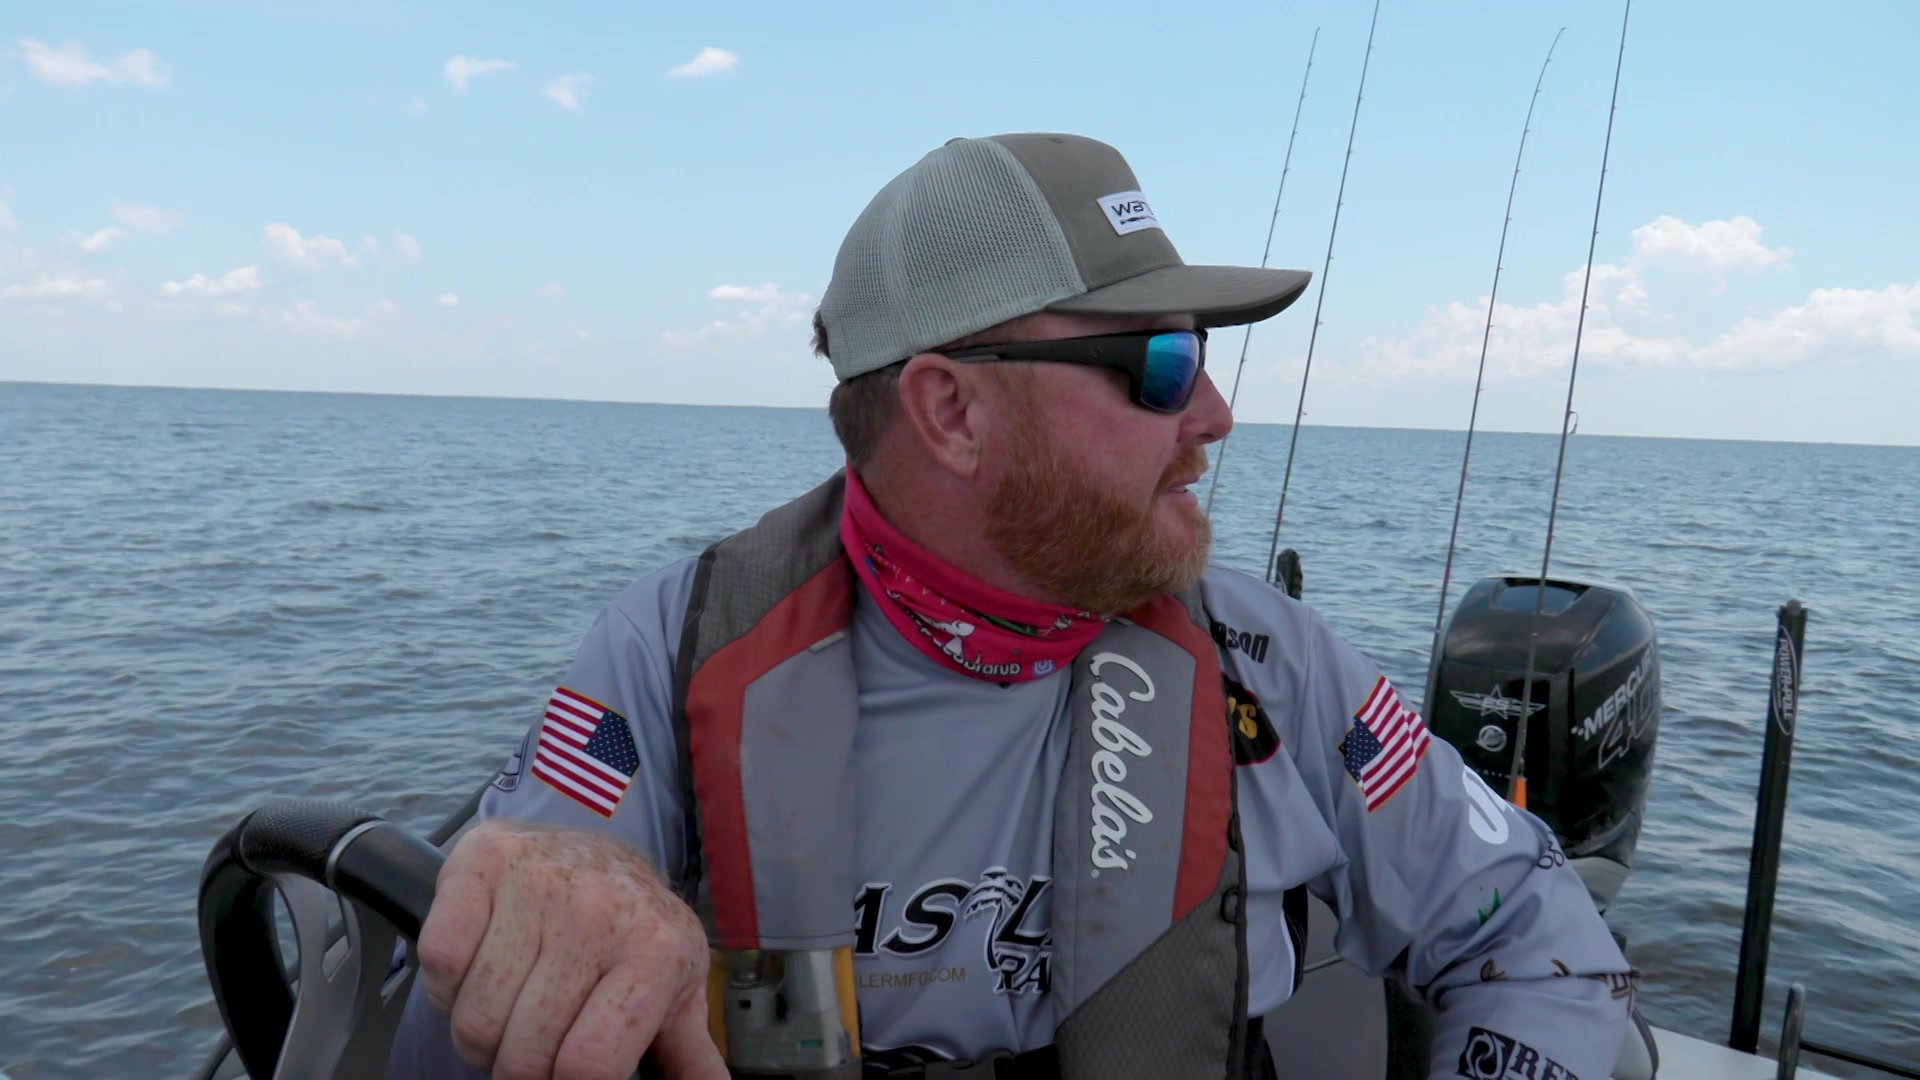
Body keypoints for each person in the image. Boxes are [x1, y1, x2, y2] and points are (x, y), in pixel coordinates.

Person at [386, 132, 1639, 1080]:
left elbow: (1535, 937)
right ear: (952, 410)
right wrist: (534, 922)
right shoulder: (671, 655)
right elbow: (486, 982)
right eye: (1161, 364)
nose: (1213, 415)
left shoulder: (1269, 662)